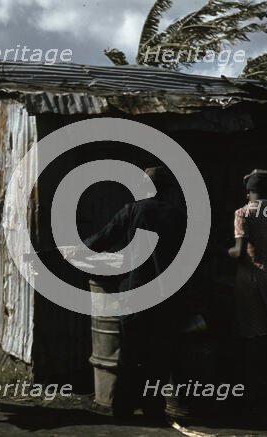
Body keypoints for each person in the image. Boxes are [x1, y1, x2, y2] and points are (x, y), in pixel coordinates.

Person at [81, 166, 187, 419]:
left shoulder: (133, 210)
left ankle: (123, 408)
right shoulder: (179, 216)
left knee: (130, 352)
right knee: (159, 354)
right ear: (168, 190)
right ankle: (154, 408)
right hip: (168, 295)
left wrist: (78, 249)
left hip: (136, 291)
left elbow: (103, 239)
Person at [227, 169, 267, 413]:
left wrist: (219, 251)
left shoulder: (242, 213)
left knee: (252, 332)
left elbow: (239, 251)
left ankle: (251, 391)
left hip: (251, 277)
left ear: (248, 191)